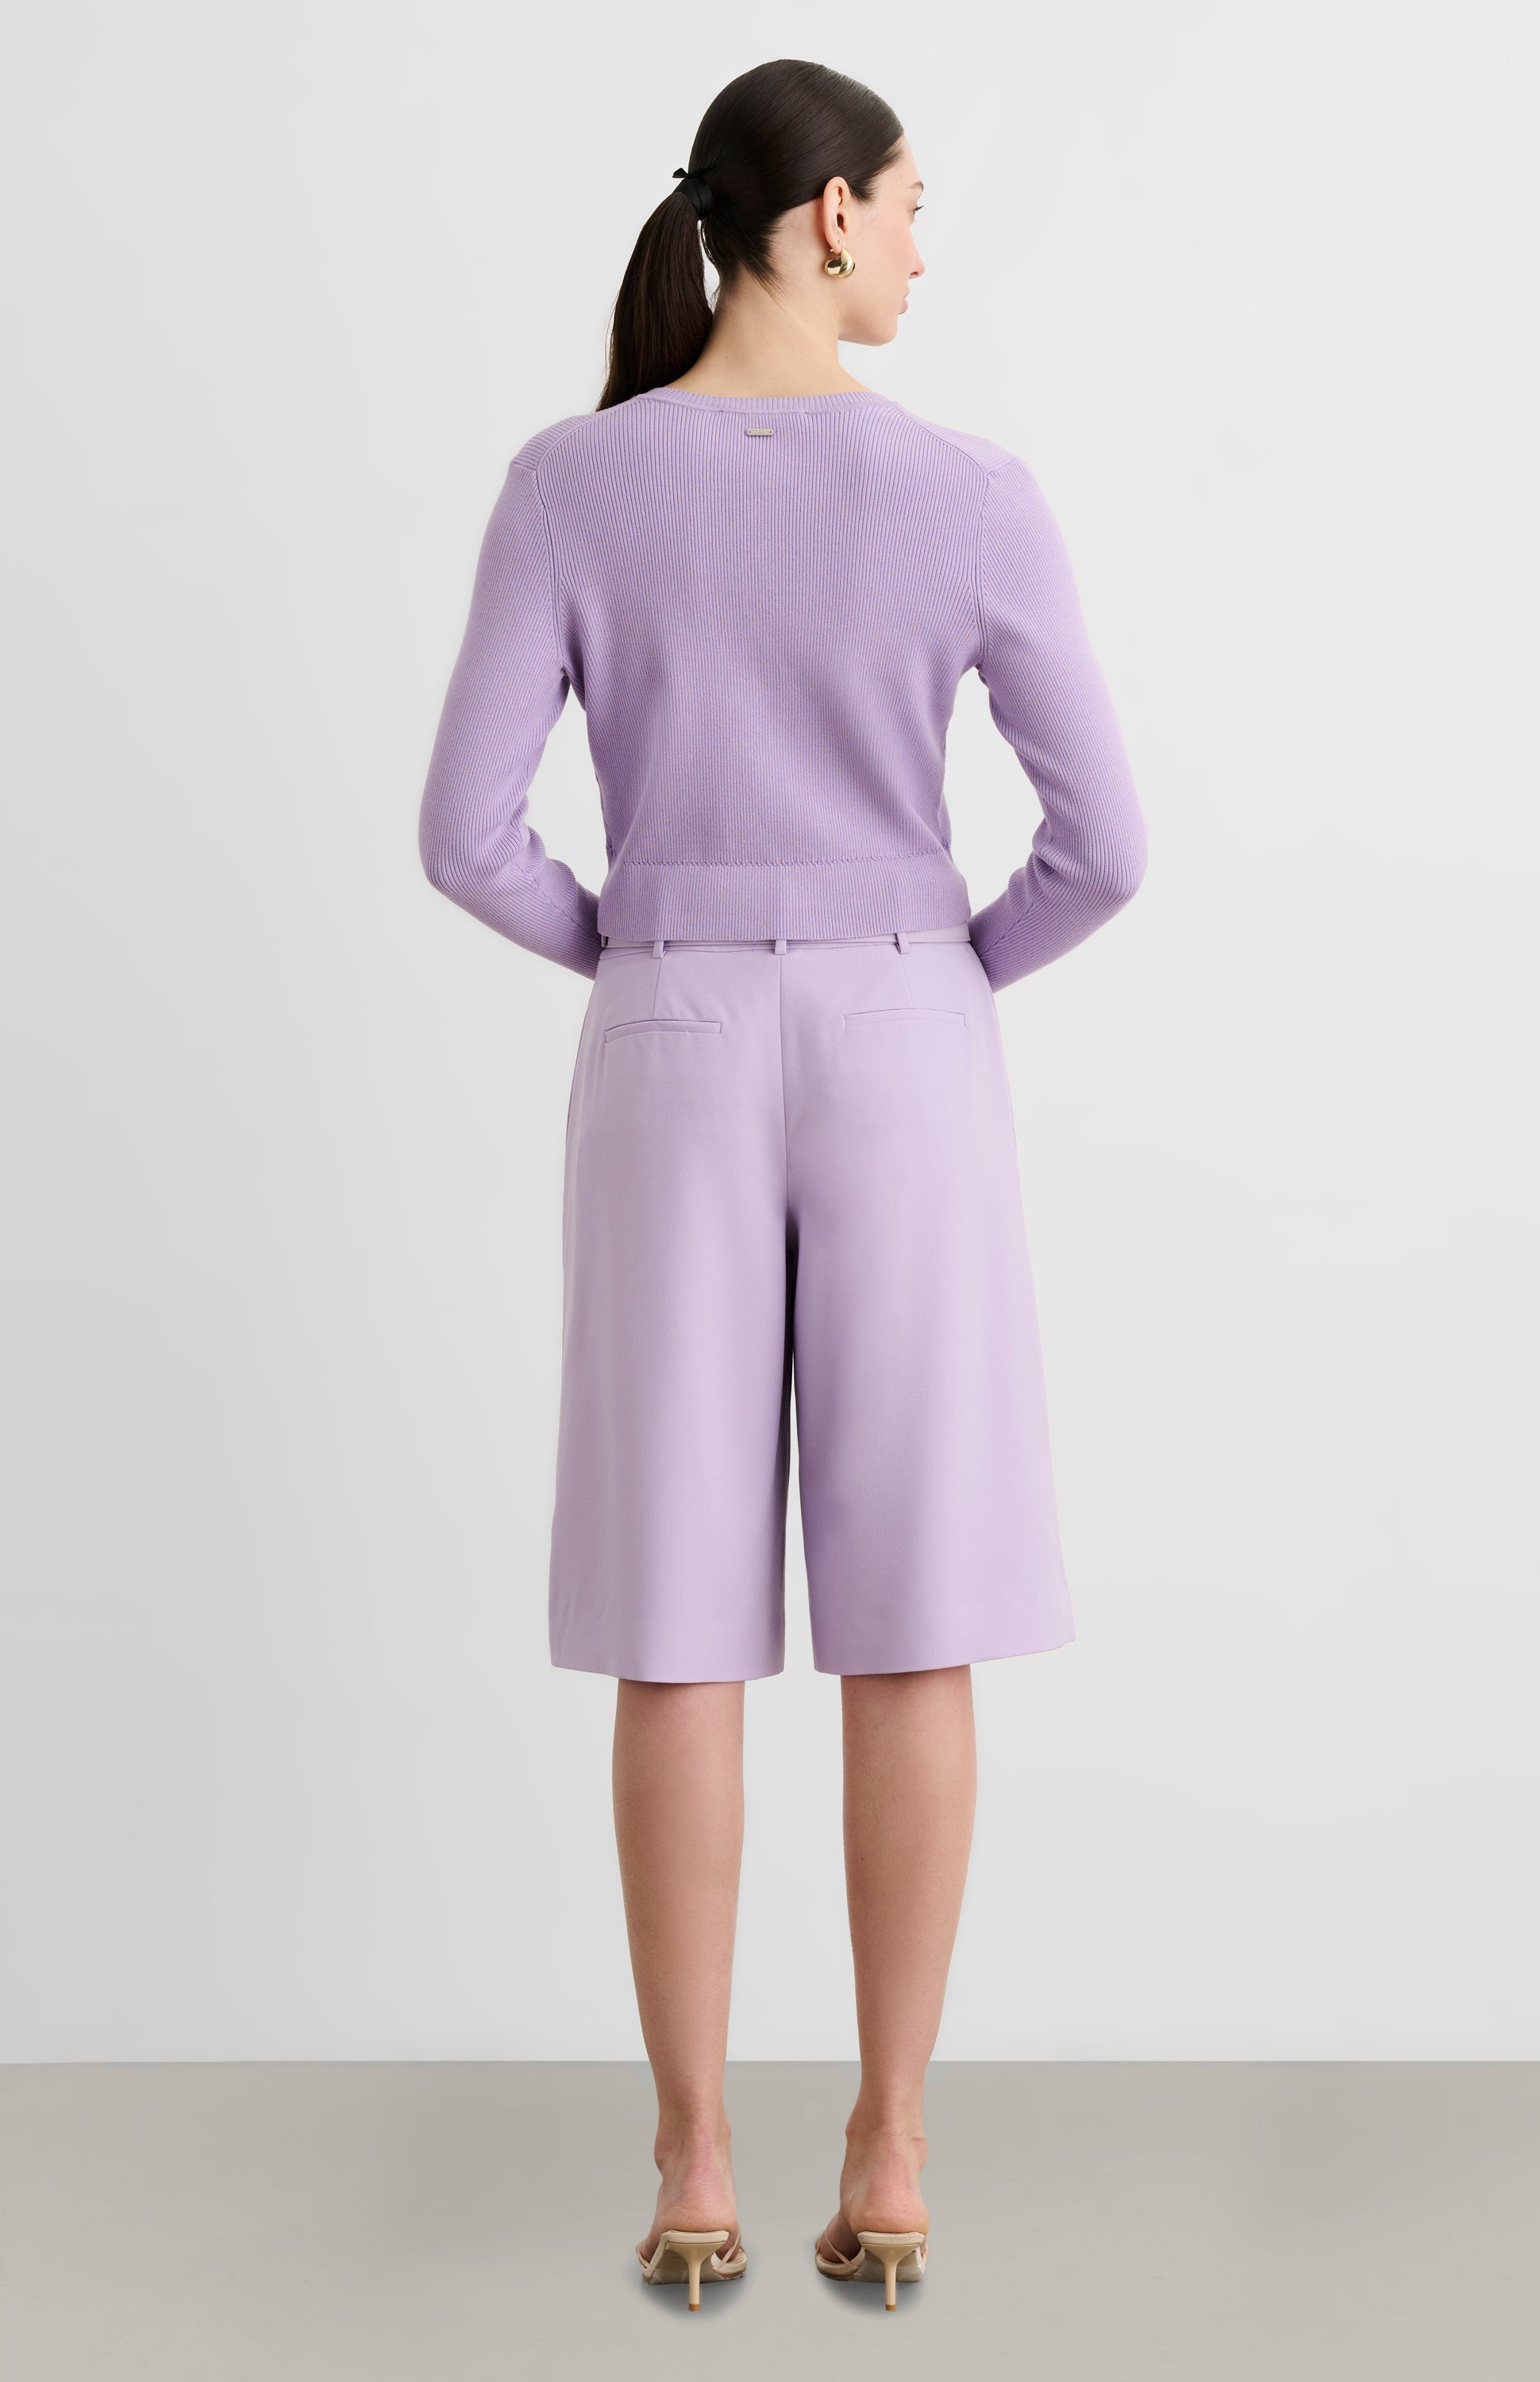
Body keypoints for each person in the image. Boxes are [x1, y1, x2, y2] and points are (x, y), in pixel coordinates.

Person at [417, 56, 1147, 2311]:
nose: (925, 246)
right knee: (912, 1616)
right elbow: (1107, 846)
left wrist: (647, 950)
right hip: (909, 1035)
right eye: (911, 206)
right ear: (825, 216)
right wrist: (935, 969)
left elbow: (464, 836)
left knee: (678, 1627)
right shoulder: (970, 490)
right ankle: (894, 2153)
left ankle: (694, 2161)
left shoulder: (572, 483)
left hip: (675, 1039)